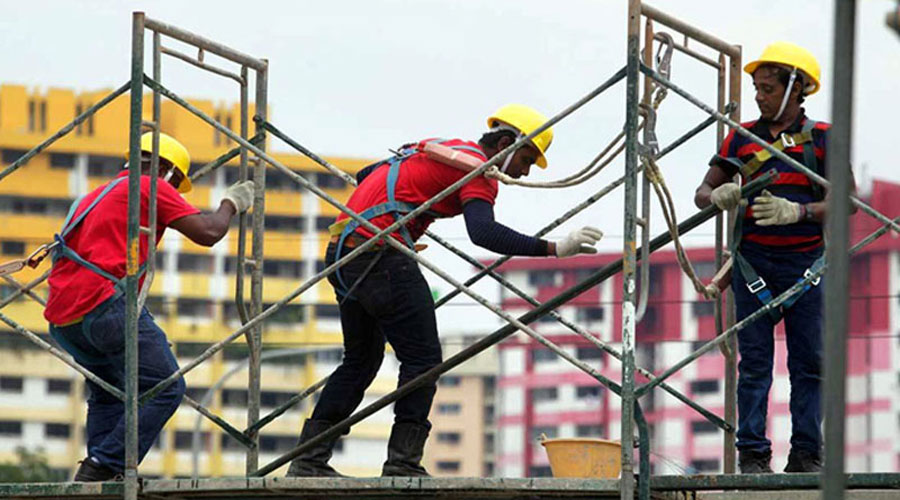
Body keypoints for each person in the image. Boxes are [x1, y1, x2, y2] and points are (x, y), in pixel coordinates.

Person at [286, 104, 603, 477]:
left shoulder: (444, 149)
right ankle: (402, 464)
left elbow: (368, 176)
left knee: (359, 363)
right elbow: (482, 232)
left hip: (345, 254)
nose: (525, 171)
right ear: (505, 143)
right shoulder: (478, 169)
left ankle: (308, 461)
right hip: (381, 257)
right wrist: (553, 248)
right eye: (527, 159)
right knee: (422, 361)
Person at [43, 132, 255, 481]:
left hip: (65, 320)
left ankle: (98, 472)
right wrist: (230, 203)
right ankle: (106, 465)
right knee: (165, 386)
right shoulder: (149, 186)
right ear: (167, 171)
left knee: (111, 396)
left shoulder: (91, 197)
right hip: (104, 306)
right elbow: (208, 232)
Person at [694, 42, 855, 474]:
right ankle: (752, 455)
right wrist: (720, 194)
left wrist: (798, 211)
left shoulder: (823, 137)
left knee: (810, 364)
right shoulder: (740, 137)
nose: (759, 96)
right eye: (756, 88)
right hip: (754, 267)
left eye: (767, 88)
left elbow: (847, 200)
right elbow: (701, 194)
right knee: (755, 366)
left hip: (806, 267)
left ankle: (806, 454)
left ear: (794, 89)